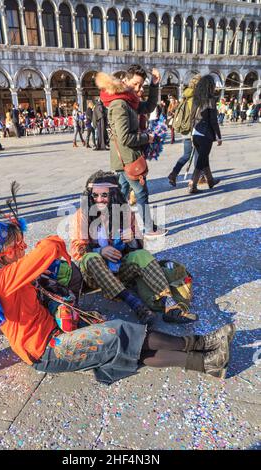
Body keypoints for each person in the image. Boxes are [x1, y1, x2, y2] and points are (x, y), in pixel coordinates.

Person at [0, 183, 235, 383]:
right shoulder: (2, 278)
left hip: (54, 330)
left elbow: (133, 244)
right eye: (19, 244)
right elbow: (51, 246)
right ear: (6, 251)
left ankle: (206, 359)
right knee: (119, 333)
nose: (23, 249)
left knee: (127, 346)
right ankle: (202, 346)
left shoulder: (3, 269)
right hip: (46, 349)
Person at [70, 170, 198, 324]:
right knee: (91, 257)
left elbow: (139, 247)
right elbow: (77, 250)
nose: (99, 199)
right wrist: (100, 251)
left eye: (104, 195)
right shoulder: (82, 214)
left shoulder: (124, 212)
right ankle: (136, 305)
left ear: (114, 194)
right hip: (95, 275)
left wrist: (133, 238)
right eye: (95, 195)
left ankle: (170, 305)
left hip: (120, 271)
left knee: (142, 255)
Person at [96, 64, 160, 235]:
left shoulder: (129, 100)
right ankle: (149, 229)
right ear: (125, 80)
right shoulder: (120, 103)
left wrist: (154, 85)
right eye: (136, 84)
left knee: (122, 194)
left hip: (124, 159)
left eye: (141, 85)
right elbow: (124, 138)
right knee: (141, 192)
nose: (138, 88)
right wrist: (148, 138)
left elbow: (149, 107)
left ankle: (111, 227)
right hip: (127, 157)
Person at [188, 75, 222, 194]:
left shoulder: (196, 99)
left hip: (196, 133)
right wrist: (219, 136)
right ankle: (193, 184)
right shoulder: (211, 100)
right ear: (210, 86)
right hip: (205, 134)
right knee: (202, 159)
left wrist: (192, 133)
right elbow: (213, 120)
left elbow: (192, 117)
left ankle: (211, 180)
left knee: (204, 157)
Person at [168, 74, 201, 187]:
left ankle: (173, 173)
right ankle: (195, 181)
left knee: (186, 155)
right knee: (198, 155)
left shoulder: (186, 96)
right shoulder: (196, 98)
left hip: (185, 130)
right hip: (194, 130)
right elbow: (196, 116)